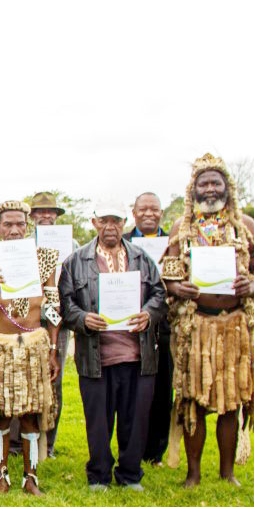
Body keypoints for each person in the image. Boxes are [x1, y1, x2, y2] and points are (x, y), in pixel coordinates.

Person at [160, 154, 254, 487]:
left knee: (231, 402)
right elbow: (167, 273)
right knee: (193, 400)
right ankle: (192, 473)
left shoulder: (244, 225)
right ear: (193, 189)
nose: (210, 189)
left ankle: (227, 473)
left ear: (227, 187)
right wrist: (178, 286)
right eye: (203, 183)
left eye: (216, 183)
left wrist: (251, 284)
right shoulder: (183, 227)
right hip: (197, 326)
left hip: (235, 326)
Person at [60, 204, 167, 491]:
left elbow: (159, 294)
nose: (110, 226)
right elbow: (65, 304)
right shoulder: (76, 261)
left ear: (124, 222)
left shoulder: (141, 258)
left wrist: (149, 314)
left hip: (137, 354)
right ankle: (99, 474)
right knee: (98, 420)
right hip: (96, 356)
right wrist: (83, 318)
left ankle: (131, 473)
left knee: (135, 418)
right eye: (104, 220)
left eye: (116, 221)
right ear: (94, 222)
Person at [0, 201, 62, 495]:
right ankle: (2, 476)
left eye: (19, 225)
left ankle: (30, 477)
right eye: (7, 225)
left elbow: (52, 307)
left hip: (33, 345)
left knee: (30, 412)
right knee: (0, 412)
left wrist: (53, 350)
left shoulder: (45, 259)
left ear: (28, 227)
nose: (14, 230)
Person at [125, 192, 174, 465]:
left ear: (161, 214)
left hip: (164, 324)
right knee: (133, 390)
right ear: (134, 213)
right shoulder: (123, 243)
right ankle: (132, 444)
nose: (148, 214)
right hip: (130, 324)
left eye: (154, 209)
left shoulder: (174, 243)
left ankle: (155, 450)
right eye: (142, 209)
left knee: (162, 389)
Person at [29, 191, 71, 458]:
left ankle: (50, 443)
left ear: (56, 216)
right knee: (26, 378)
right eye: (40, 212)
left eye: (51, 212)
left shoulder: (72, 243)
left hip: (59, 320)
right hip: (30, 319)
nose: (46, 216)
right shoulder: (23, 243)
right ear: (32, 216)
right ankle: (24, 439)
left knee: (54, 380)